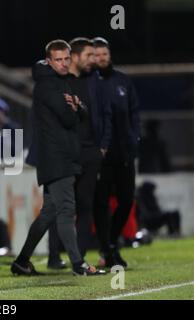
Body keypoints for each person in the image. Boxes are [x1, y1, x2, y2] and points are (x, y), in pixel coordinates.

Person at [11, 40, 104, 277]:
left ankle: (21, 262)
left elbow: (80, 111)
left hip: (61, 156)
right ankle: (78, 264)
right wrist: (75, 110)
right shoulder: (47, 85)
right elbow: (69, 118)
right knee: (66, 210)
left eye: (66, 59)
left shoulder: (60, 82)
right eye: (58, 60)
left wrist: (76, 108)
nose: (63, 64)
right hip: (56, 158)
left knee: (49, 214)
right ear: (49, 61)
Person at [92, 37, 140, 268]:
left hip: (124, 153)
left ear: (109, 55)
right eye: (97, 54)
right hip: (101, 156)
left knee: (127, 199)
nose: (101, 58)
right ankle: (107, 250)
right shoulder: (90, 81)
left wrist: (134, 138)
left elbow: (134, 113)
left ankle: (111, 242)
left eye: (104, 54)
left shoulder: (123, 81)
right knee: (100, 203)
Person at [67, 37, 112, 258]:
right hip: (67, 154)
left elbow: (106, 114)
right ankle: (56, 256)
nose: (93, 60)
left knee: (86, 205)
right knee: (60, 207)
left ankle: (80, 257)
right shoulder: (59, 80)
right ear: (75, 57)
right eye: (89, 56)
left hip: (90, 152)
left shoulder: (95, 81)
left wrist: (102, 146)